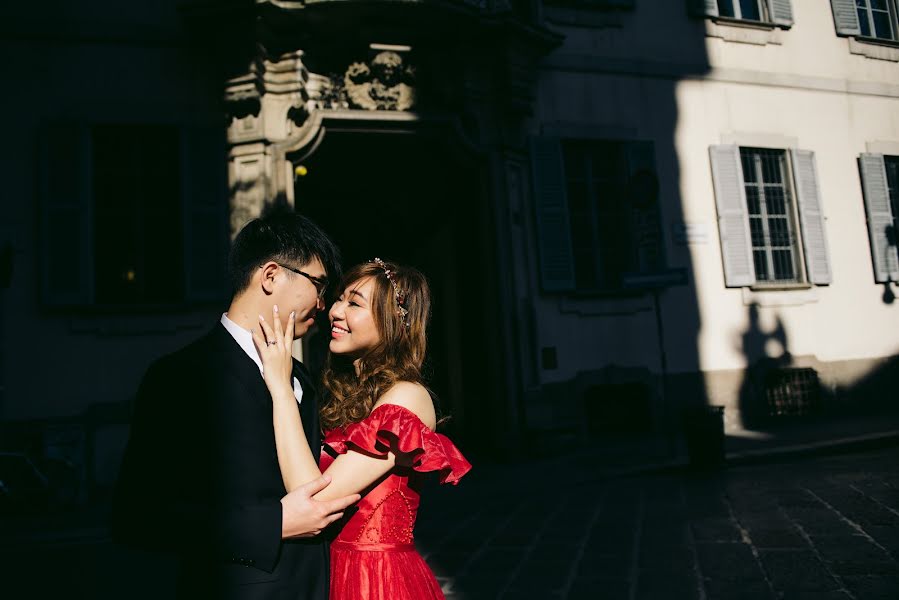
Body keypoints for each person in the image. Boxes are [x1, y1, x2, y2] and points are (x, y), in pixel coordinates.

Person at [111, 212, 360, 600]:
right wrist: (274, 523)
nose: (324, 304)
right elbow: (137, 517)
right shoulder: (180, 375)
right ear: (272, 275)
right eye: (319, 285)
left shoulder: (302, 378)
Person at [254, 258, 471, 599]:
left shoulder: (407, 397)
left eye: (354, 303)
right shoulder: (347, 396)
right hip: (329, 573)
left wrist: (280, 388)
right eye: (339, 298)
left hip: (378, 582)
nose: (335, 312)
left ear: (394, 324)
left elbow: (312, 499)